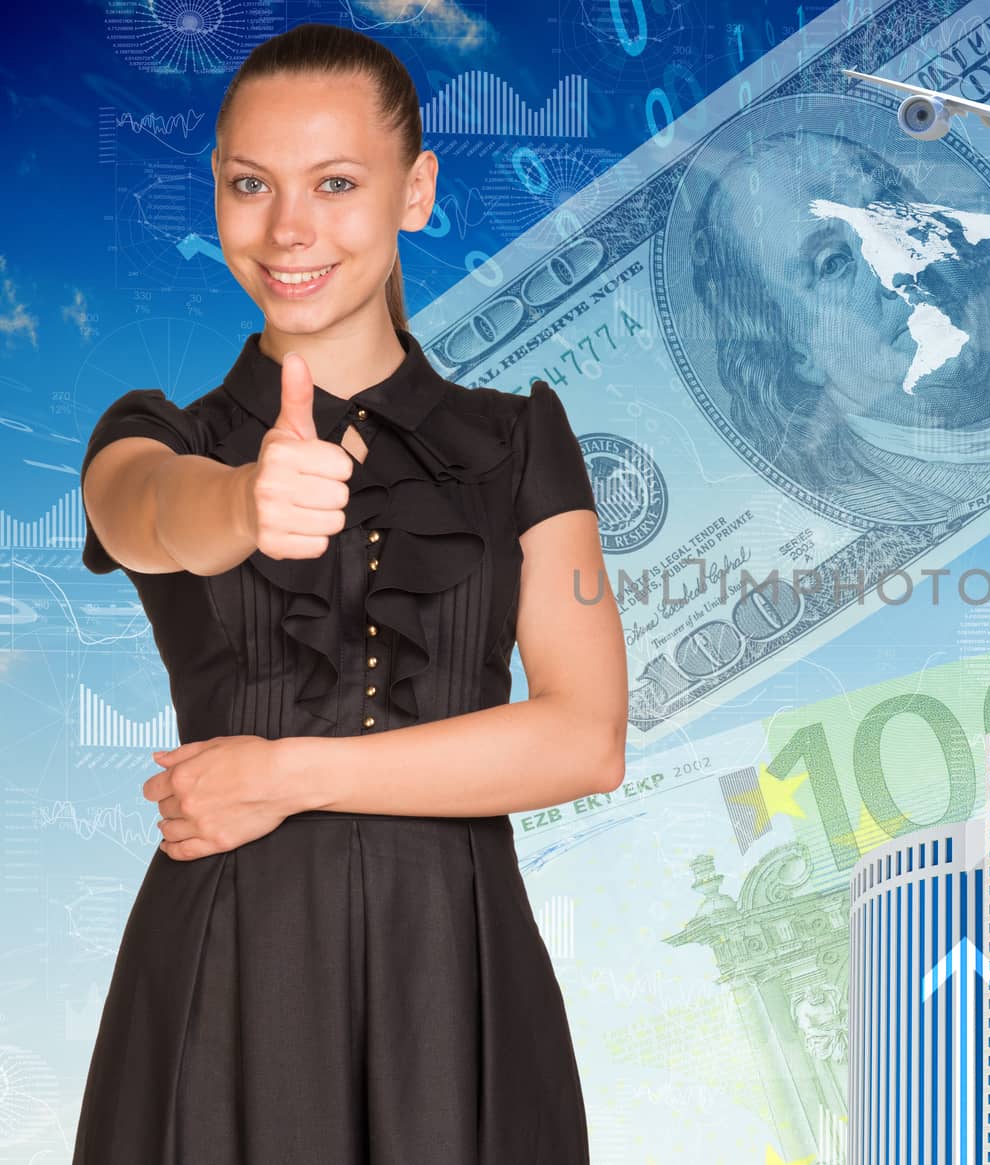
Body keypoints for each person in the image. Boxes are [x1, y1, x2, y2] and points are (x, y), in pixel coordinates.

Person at [71, 23, 627, 1164]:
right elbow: (141, 511)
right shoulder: (159, 437)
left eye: (335, 183)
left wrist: (289, 773)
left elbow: (586, 737)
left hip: (459, 976)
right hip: (228, 971)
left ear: (414, 191)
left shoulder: (522, 442)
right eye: (249, 185)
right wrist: (241, 506)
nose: (287, 231)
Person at [684, 129, 990, 524]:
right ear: (793, 349)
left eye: (892, 217)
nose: (898, 265)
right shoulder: (864, 519)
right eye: (832, 263)